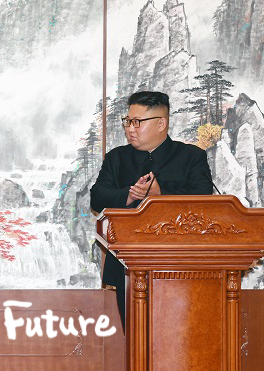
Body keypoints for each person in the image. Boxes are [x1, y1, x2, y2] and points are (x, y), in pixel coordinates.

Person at [90, 91, 214, 330]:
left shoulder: (191, 156)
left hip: (180, 266)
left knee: (179, 337)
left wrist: (161, 195)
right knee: (136, 340)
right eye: (128, 121)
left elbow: (203, 199)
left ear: (161, 123)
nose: (130, 129)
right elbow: (97, 198)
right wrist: (129, 195)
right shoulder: (117, 157)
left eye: (138, 122)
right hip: (128, 267)